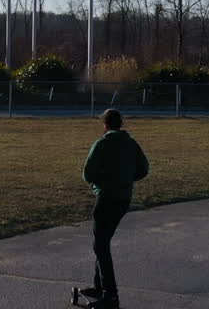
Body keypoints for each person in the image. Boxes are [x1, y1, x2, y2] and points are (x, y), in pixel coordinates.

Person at [80, 108, 149, 308]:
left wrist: (100, 184)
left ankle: (111, 295)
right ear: (121, 123)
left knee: (100, 246)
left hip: (106, 199)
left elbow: (88, 174)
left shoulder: (102, 144)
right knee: (103, 242)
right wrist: (126, 180)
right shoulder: (131, 143)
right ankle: (99, 286)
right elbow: (143, 169)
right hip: (123, 200)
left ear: (105, 124)